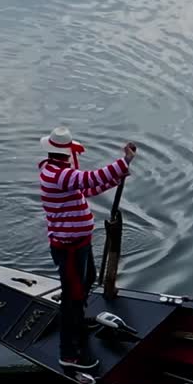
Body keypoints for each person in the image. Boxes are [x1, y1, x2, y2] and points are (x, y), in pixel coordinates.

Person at [38, 125, 137, 370]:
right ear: (65, 154)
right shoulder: (55, 175)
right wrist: (124, 162)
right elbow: (89, 178)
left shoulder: (63, 174)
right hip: (68, 247)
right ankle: (68, 353)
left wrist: (116, 178)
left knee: (88, 280)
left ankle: (79, 323)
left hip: (80, 243)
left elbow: (89, 188)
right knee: (72, 298)